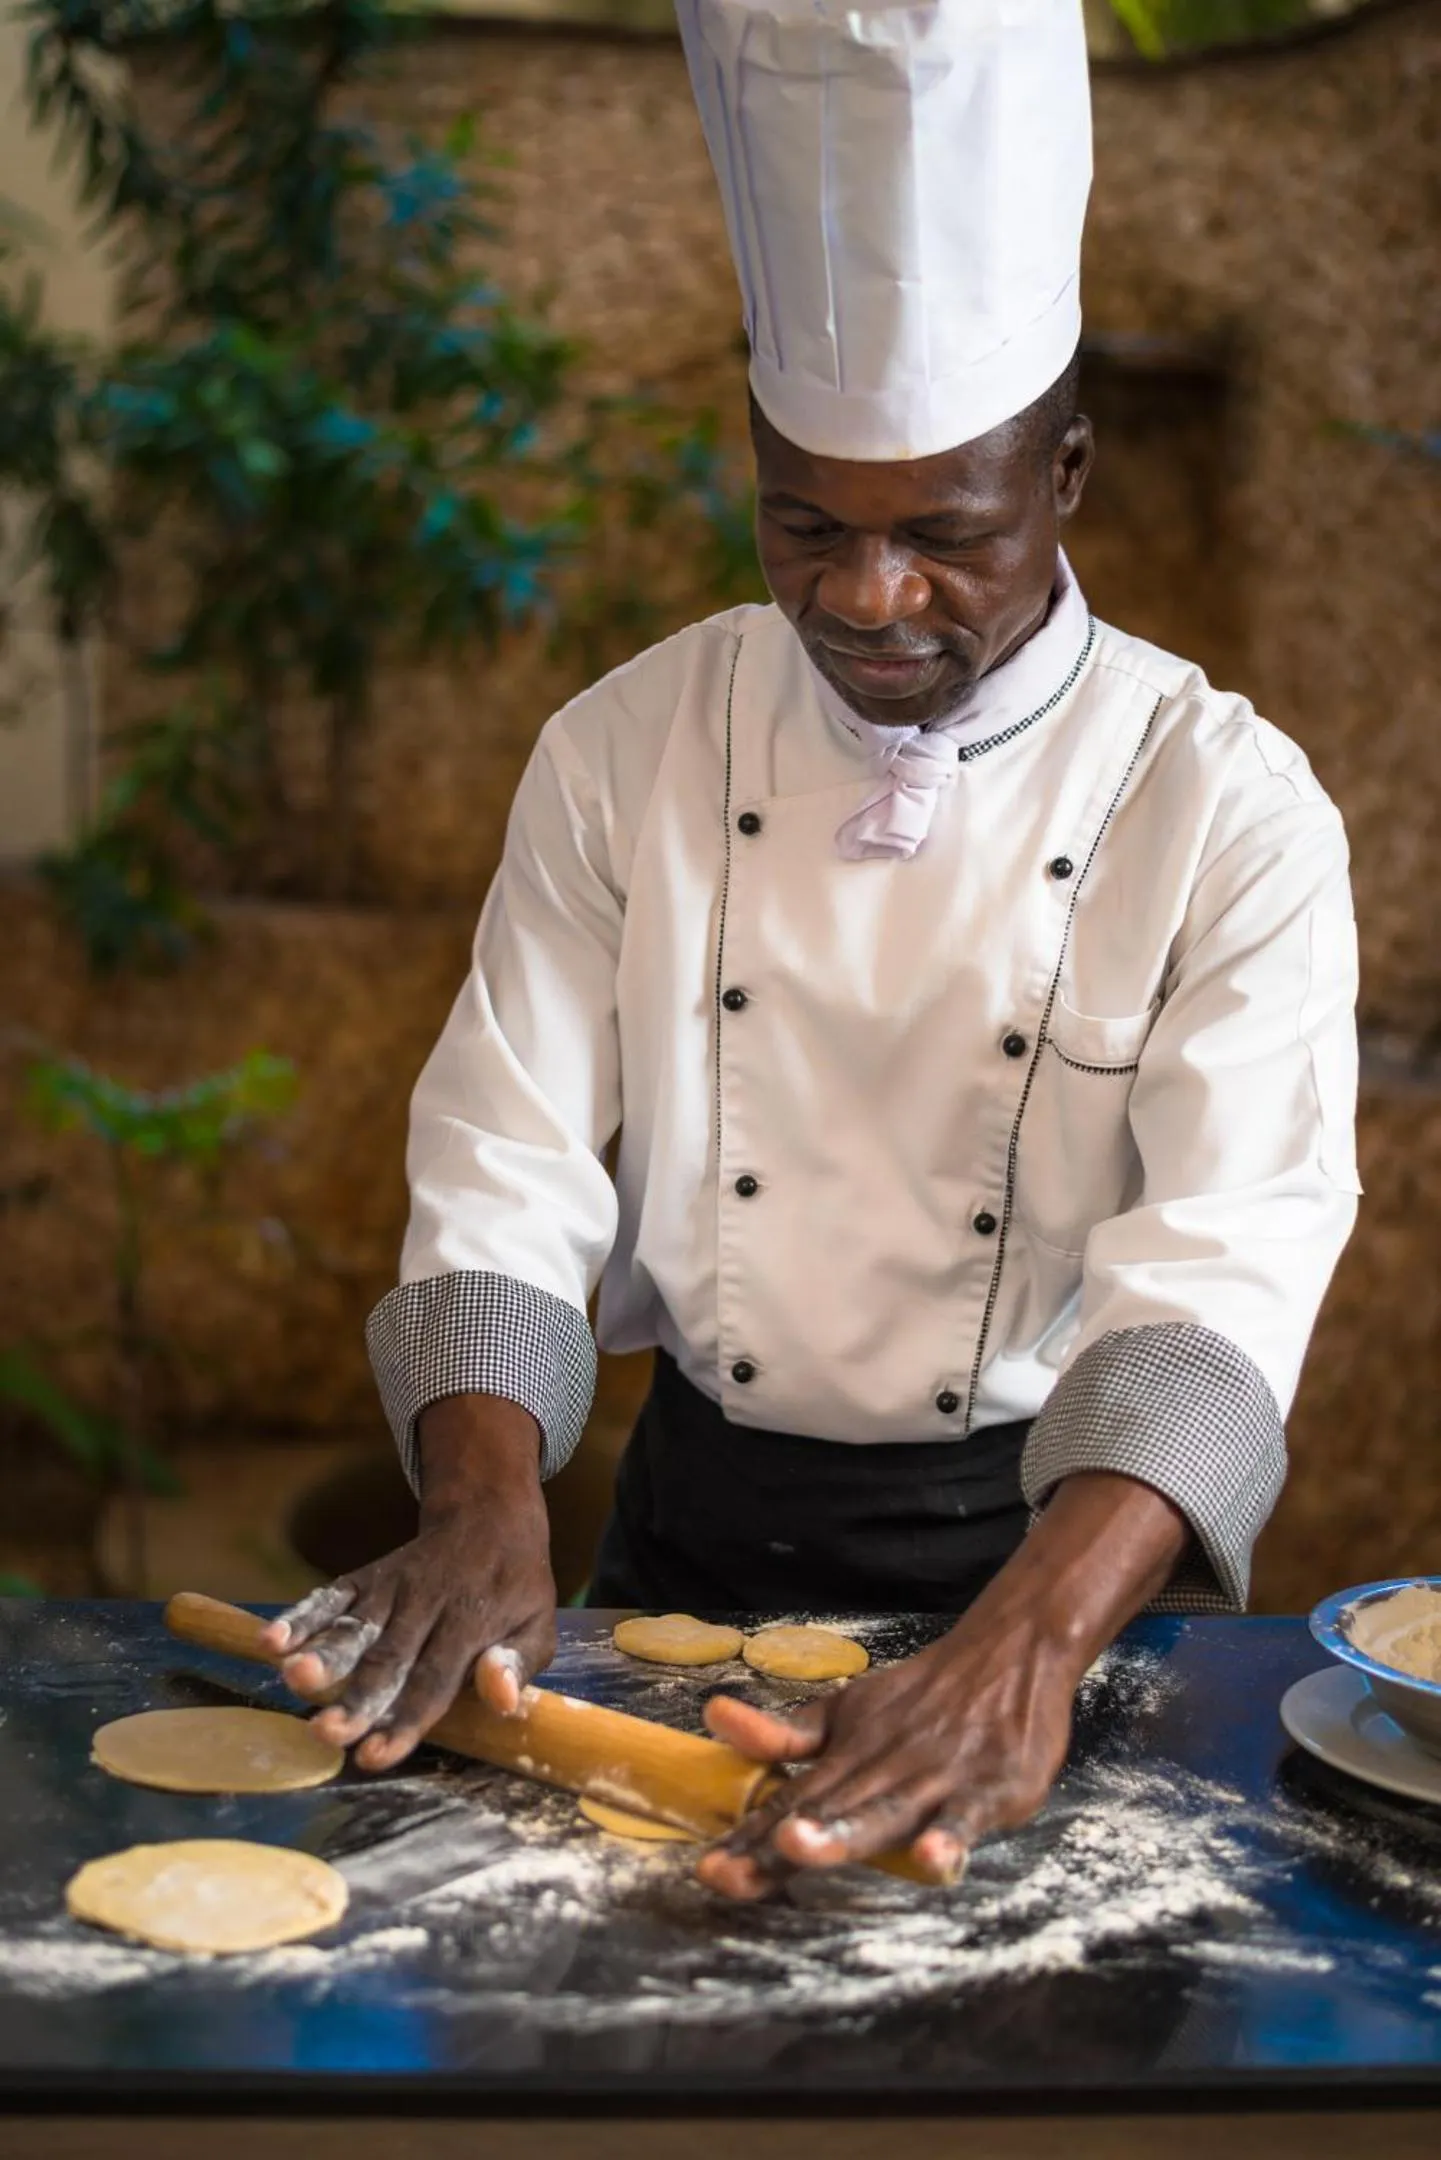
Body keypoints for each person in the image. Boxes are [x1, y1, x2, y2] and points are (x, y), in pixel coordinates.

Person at [263, 0, 1359, 1899]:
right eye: (805, 523)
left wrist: (1019, 1654)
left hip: (1050, 1581)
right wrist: (486, 1504)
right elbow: (511, 1155)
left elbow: (1225, 1276)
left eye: (942, 531)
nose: (866, 595)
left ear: (1070, 475)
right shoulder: (630, 748)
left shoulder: (1225, 803)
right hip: (686, 1554)